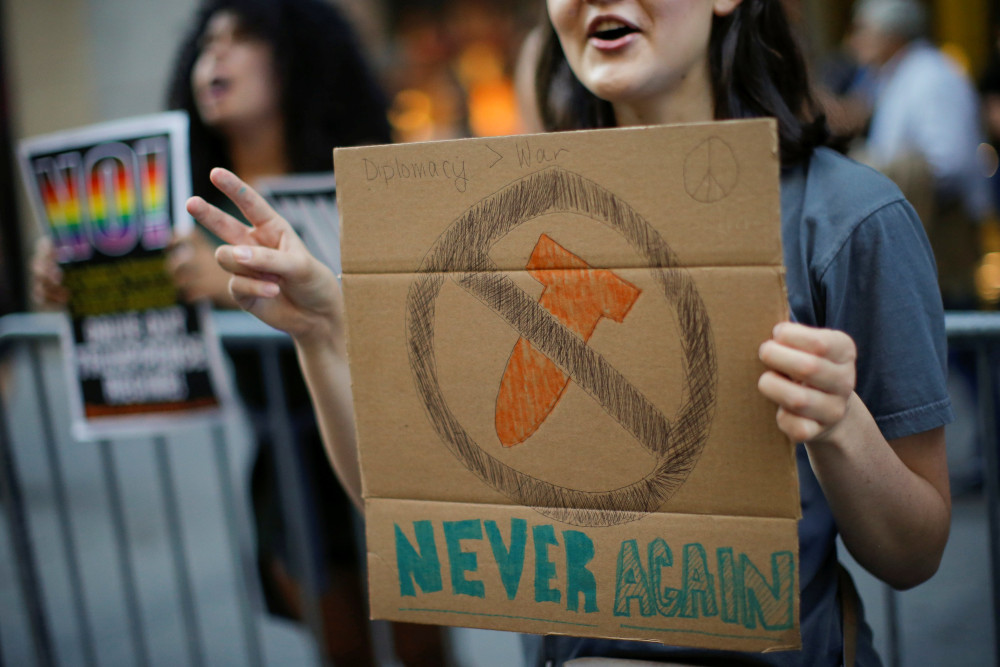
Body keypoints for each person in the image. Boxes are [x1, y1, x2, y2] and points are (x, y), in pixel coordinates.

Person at [188, 0, 953, 665]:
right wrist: (321, 330)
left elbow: (914, 550)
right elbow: (404, 509)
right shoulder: (494, 221)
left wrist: (839, 425)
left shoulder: (850, 220)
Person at [34, 0, 445, 664]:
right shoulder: (190, 219)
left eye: (242, 38)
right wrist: (69, 279)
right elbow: (125, 310)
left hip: (387, 450)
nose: (213, 57)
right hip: (286, 478)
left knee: (424, 652)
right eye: (206, 43)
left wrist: (229, 286)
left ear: (300, 61)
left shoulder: (367, 193)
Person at [845, 0, 991, 309]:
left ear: (893, 36)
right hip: (923, 234)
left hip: (943, 239)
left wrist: (877, 171)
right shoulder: (895, 75)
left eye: (864, 31)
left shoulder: (931, 76)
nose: (856, 40)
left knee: (954, 337)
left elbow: (948, 162)